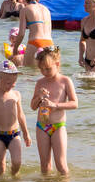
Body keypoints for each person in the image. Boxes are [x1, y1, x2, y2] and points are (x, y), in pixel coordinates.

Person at [31, 47, 77, 175]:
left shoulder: (65, 81)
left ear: (57, 64)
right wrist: (39, 97)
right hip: (42, 126)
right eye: (41, 69)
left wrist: (55, 105)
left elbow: (74, 103)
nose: (44, 72)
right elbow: (33, 106)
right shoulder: (40, 83)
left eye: (48, 69)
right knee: (45, 166)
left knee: (61, 165)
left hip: (58, 126)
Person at [11, 0, 50, 68]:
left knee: (29, 74)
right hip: (49, 43)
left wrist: (15, 49)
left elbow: (21, 33)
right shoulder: (46, 10)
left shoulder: (25, 10)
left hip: (35, 42)